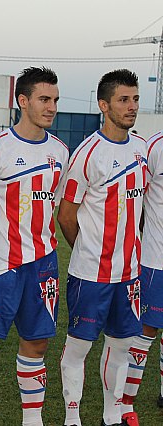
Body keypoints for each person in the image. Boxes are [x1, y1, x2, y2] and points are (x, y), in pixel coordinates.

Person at [0, 67, 69, 426]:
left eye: (55, 99)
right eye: (44, 99)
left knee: (37, 343)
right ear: (23, 101)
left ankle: (33, 420)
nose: (51, 106)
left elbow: (52, 204)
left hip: (43, 263)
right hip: (0, 264)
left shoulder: (60, 151)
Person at [58, 69, 146, 426]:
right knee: (78, 347)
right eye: (124, 100)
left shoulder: (140, 149)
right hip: (91, 273)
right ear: (104, 104)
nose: (131, 107)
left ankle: (112, 417)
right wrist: (89, 251)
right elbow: (66, 215)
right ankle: (72, 418)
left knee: (122, 346)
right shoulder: (87, 153)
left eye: (136, 99)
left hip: (130, 273)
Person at [120, 129, 163, 425]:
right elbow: (134, 196)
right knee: (145, 331)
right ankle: (125, 403)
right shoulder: (155, 147)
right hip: (155, 260)